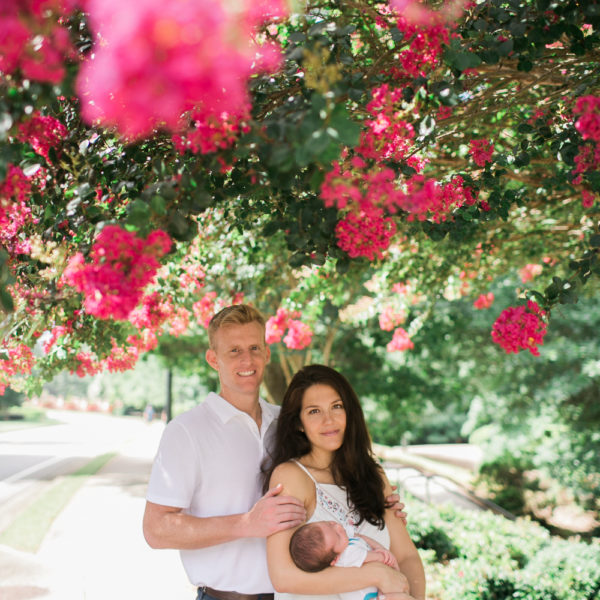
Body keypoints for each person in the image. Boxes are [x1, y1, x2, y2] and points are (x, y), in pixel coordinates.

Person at [143, 305, 407, 600]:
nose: (247, 359)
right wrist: (246, 524)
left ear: (267, 354)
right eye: (234, 350)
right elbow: (156, 529)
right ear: (212, 359)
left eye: (255, 347)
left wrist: (379, 503)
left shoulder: (289, 423)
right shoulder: (187, 431)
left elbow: (335, 475)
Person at [263, 364, 426, 600]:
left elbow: (407, 556)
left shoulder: (373, 475)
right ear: (299, 423)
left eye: (336, 407)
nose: (329, 420)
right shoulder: (291, 477)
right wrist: (377, 575)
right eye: (314, 411)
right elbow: (283, 577)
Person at [289, 521, 417, 600]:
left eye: (330, 524)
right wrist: (382, 556)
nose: (338, 526)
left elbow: (358, 537)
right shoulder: (346, 556)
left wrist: (378, 548)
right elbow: (366, 556)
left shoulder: (343, 541)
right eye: (338, 535)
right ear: (335, 559)